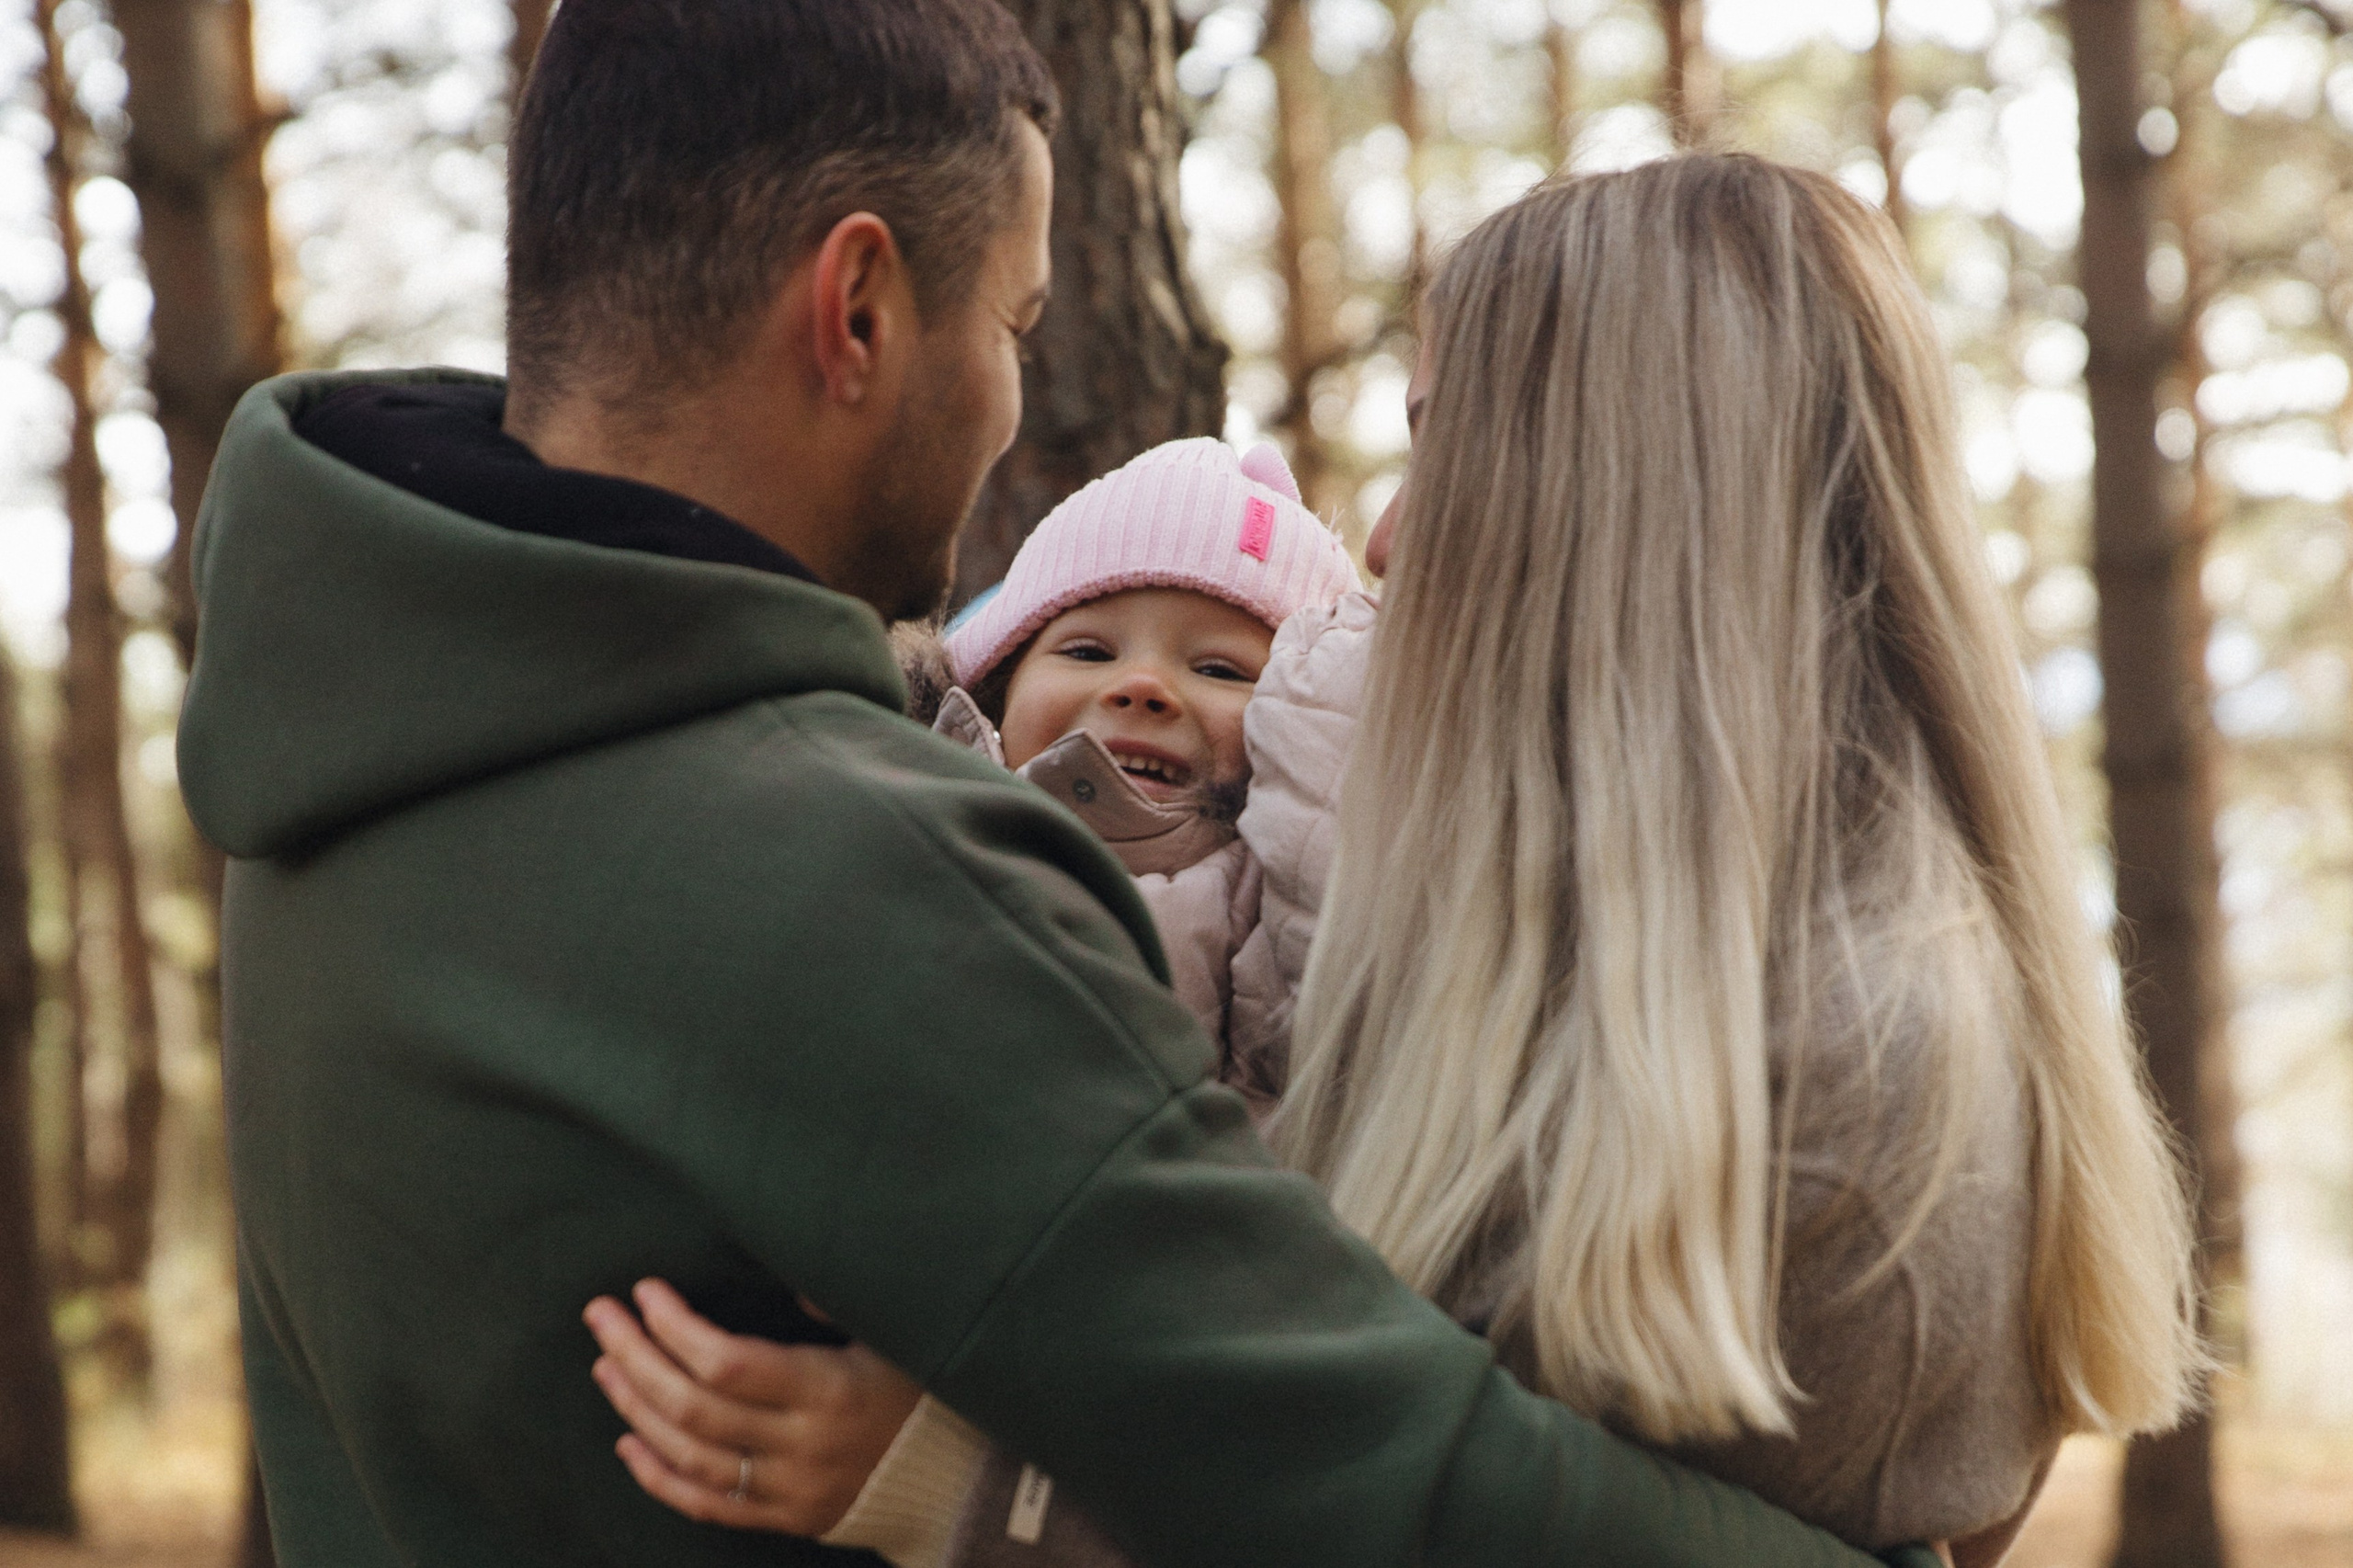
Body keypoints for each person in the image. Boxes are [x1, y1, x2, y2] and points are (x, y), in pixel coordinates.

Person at [179, 1, 1944, 1565]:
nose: (1017, 403)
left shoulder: (364, 740)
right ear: (857, 309)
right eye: (1016, 323)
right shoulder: (870, 878)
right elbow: (1406, 1477)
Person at [582, 158, 2204, 1568]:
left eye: (1448, 447)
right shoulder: (1665, 960)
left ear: (1621, 504)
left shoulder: (1831, 1069)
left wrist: (972, 1490)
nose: (1382, 535)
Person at [904, 435, 1358, 1076]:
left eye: (1221, 669)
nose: (1142, 687)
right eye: (1088, 653)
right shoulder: (914, 829)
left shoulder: (1299, 900)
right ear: (996, 687)